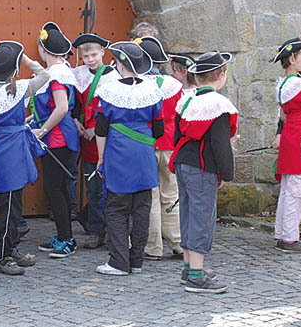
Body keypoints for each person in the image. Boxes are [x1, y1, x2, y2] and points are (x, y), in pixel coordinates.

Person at [94, 41, 163, 275]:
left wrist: (101, 158)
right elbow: (159, 129)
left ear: (120, 64)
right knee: (142, 208)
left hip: (118, 151)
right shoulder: (152, 90)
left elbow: (101, 129)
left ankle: (118, 262)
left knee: (116, 208)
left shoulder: (108, 91)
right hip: (143, 153)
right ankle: (136, 261)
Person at [169, 51, 236, 293]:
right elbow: (221, 144)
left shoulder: (187, 100)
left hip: (183, 163)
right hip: (203, 166)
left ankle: (189, 268)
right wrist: (226, 173)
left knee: (187, 214)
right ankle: (197, 276)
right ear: (221, 75)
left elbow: (178, 136)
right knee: (202, 218)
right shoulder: (219, 105)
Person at [0, 41, 49, 275]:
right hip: (11, 149)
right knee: (10, 206)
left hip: (2, 146)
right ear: (15, 68)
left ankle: (10, 250)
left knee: (11, 203)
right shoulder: (19, 87)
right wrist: (25, 59)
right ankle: (2, 257)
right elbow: (45, 75)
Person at [33, 22, 81, 259]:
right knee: (57, 188)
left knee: (56, 189)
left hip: (58, 138)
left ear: (43, 50)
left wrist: (41, 130)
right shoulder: (61, 71)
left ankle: (67, 239)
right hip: (59, 136)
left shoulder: (57, 74)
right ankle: (63, 235)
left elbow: (61, 108)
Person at [71, 33, 118, 249]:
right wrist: (75, 120)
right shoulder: (78, 75)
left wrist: (94, 128)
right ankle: (96, 230)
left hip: (104, 137)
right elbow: (77, 104)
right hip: (85, 139)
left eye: (93, 54)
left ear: (102, 52)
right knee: (92, 187)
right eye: (86, 56)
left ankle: (113, 230)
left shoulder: (113, 76)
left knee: (109, 186)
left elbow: (110, 109)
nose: (90, 59)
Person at [139, 36, 183, 261]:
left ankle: (153, 246)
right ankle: (177, 242)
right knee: (171, 194)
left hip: (147, 144)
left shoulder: (138, 86)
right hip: (170, 144)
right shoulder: (174, 85)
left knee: (151, 196)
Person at [272, 38, 301, 254]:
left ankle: (282, 233)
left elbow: (283, 115)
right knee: (298, 189)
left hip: (290, 134)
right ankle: (290, 238)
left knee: (289, 188)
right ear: (292, 59)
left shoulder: (281, 85)